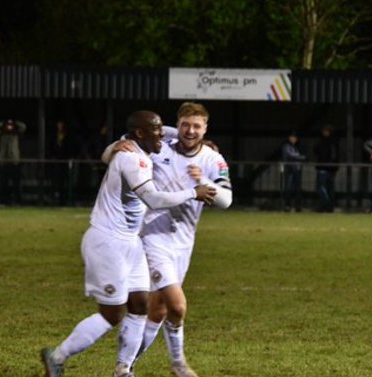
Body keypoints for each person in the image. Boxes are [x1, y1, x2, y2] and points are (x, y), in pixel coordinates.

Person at [40, 110, 216, 377]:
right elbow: (154, 199)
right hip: (107, 241)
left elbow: (167, 135)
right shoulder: (132, 159)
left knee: (140, 306)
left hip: (130, 242)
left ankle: (123, 370)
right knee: (112, 314)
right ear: (140, 134)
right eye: (157, 131)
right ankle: (57, 357)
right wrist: (194, 192)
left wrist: (112, 145)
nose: (163, 135)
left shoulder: (140, 147)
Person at [103, 102, 233, 377]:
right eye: (185, 124)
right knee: (177, 304)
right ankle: (177, 364)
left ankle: (125, 366)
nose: (190, 130)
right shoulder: (160, 147)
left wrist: (205, 185)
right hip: (153, 235)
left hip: (184, 242)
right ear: (177, 124)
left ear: (206, 128)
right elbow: (108, 157)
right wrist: (117, 144)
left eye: (197, 126)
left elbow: (226, 200)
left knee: (159, 310)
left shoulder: (213, 159)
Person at [0, 118, 26, 205]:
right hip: (4, 163)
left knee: (16, 185)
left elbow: (23, 127)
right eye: (8, 125)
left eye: (11, 125)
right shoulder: (2, 134)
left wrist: (15, 122)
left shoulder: (17, 134)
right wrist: (3, 122)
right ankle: (3, 201)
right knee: (3, 184)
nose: (9, 127)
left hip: (14, 163)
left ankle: (18, 201)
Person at [49, 120, 79, 205]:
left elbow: (72, 147)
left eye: (61, 125)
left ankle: (69, 200)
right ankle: (59, 200)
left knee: (68, 181)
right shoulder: (54, 136)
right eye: (58, 125)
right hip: (57, 162)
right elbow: (51, 147)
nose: (59, 127)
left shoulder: (69, 136)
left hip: (66, 162)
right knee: (58, 181)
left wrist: (70, 157)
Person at [313, 125, 338, 213]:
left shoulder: (330, 143)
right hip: (326, 168)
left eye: (327, 131)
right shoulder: (325, 142)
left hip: (326, 168)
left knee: (325, 188)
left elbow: (333, 156)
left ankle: (327, 206)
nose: (325, 133)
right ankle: (327, 206)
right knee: (325, 188)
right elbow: (315, 150)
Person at [281, 131, 306, 212]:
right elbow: (290, 155)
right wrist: (301, 157)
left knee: (297, 189)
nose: (293, 139)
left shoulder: (297, 147)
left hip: (297, 170)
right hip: (289, 170)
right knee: (288, 188)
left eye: (295, 137)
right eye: (292, 137)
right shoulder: (286, 146)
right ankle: (287, 205)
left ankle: (298, 206)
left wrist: (300, 157)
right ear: (289, 138)